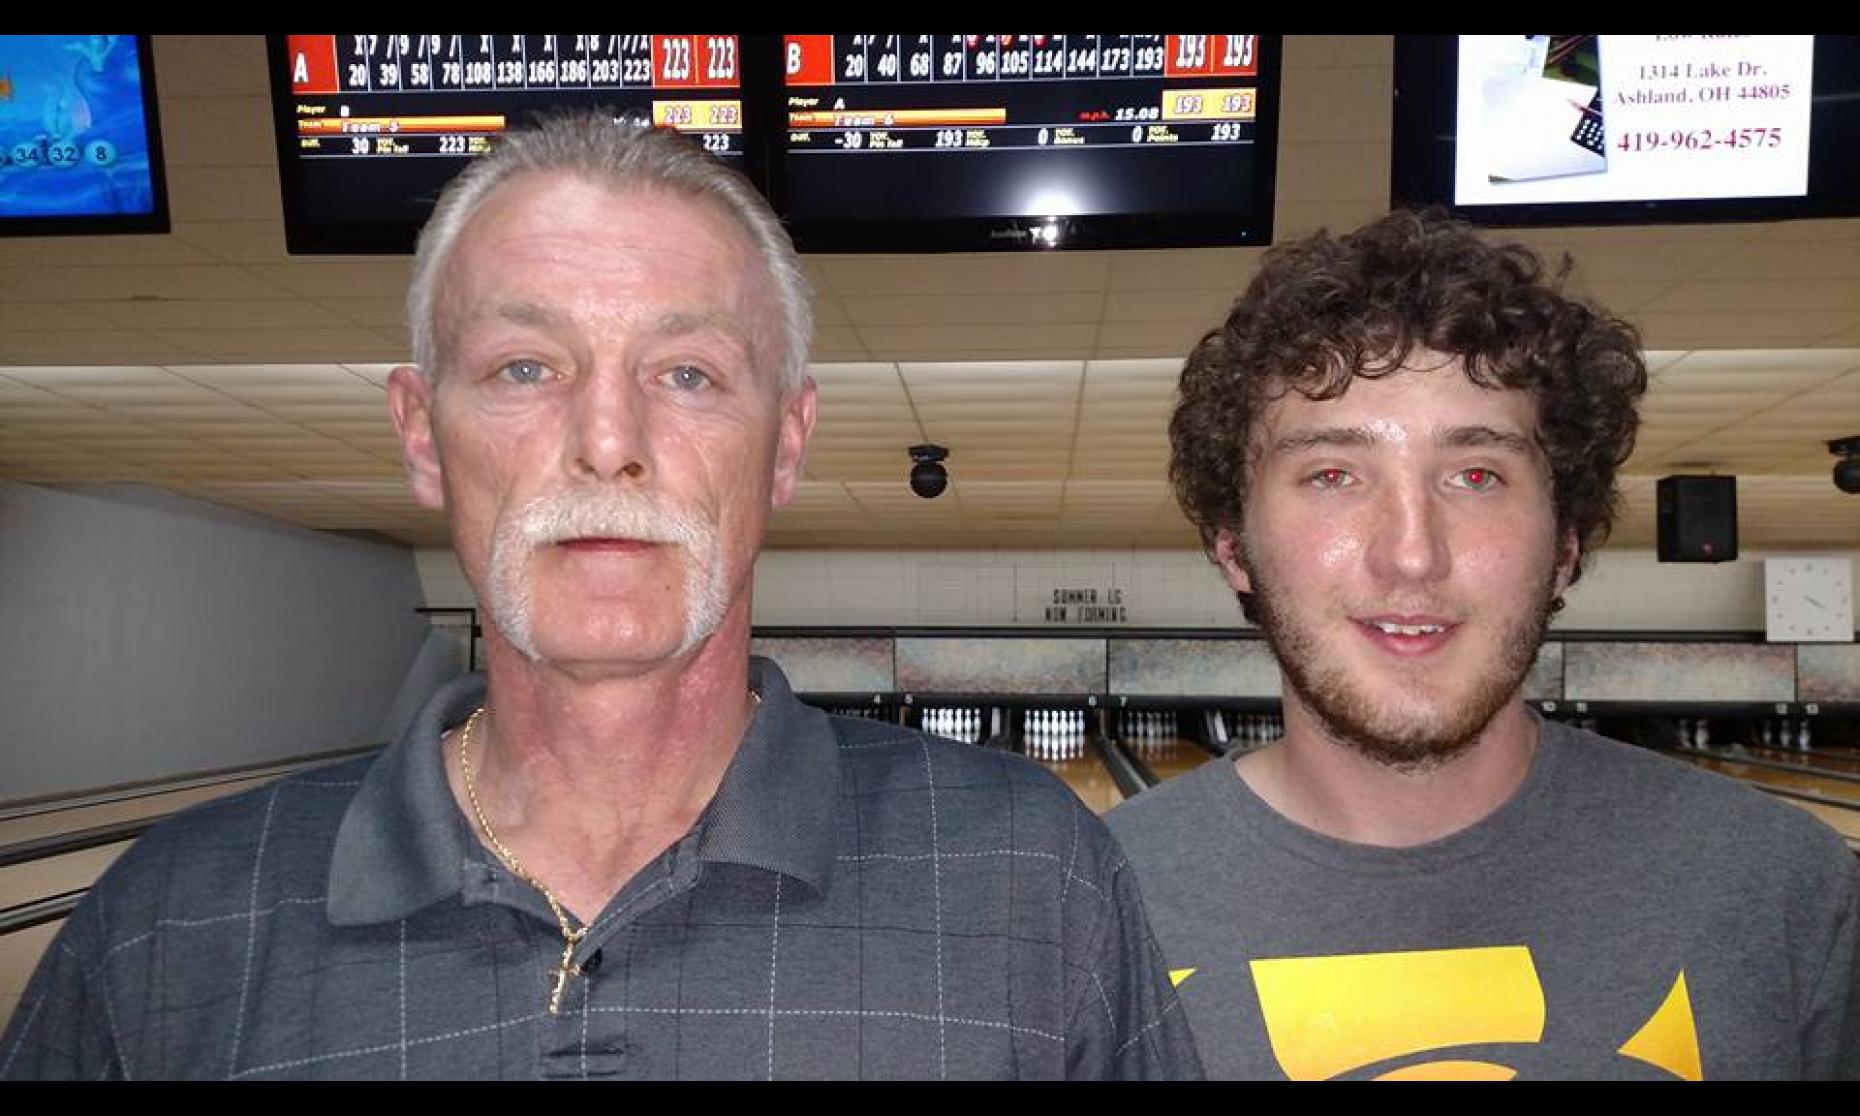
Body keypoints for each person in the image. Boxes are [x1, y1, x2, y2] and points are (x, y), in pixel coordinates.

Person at [2, 113, 1199, 1081]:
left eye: (688, 374)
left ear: (785, 445)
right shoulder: (167, 927)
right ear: (423, 436)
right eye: (527, 369)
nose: (608, 443)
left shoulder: (1033, 879)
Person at [1108, 210, 1859, 1080]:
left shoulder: (1779, 889)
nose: (1413, 552)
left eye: (1476, 474)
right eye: (1333, 475)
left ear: (1566, 544)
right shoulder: (1091, 904)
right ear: (1234, 546)